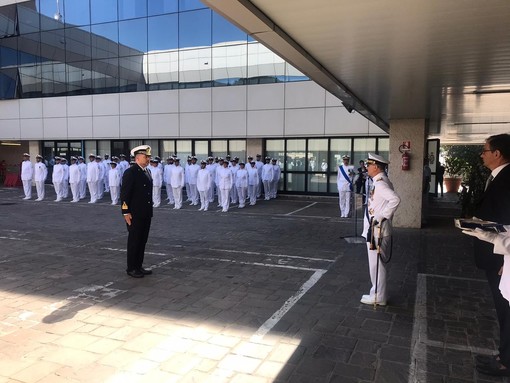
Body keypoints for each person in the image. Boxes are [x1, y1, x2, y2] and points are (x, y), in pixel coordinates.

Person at [469, 133, 510, 377]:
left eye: (484, 150)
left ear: (497, 154)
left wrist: (506, 260)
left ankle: (506, 361)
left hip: (501, 258)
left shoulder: (507, 180)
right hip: (498, 255)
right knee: (503, 309)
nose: (482, 155)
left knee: (506, 310)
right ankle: (504, 353)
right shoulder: (499, 177)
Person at [361, 153, 400, 306]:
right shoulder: (380, 180)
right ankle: (377, 293)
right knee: (376, 265)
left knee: (376, 265)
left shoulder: (381, 183)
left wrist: (382, 216)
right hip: (375, 229)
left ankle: (378, 296)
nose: (367, 167)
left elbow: (395, 199)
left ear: (376, 167)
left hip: (378, 230)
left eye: (369, 165)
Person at [120, 145, 154, 278]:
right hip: (134, 213)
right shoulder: (131, 172)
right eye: (147, 157)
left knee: (142, 240)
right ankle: (131, 268)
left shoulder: (147, 171)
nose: (149, 159)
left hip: (145, 212)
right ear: (138, 158)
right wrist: (125, 212)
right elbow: (124, 194)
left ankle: (138, 265)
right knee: (134, 240)